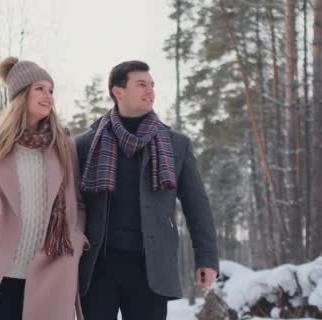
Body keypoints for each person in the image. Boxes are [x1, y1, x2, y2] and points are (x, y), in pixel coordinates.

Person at [75, 60, 219, 320]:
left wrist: (206, 258)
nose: (150, 90)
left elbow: (197, 204)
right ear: (117, 91)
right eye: (141, 84)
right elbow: (67, 200)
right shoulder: (85, 145)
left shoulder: (177, 145)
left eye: (152, 84)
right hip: (98, 268)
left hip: (150, 269)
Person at [0, 57, 88, 320]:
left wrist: (76, 237)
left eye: (51, 90)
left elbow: (78, 204)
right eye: (40, 88)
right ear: (21, 95)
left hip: (51, 268)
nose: (48, 96)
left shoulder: (64, 147)